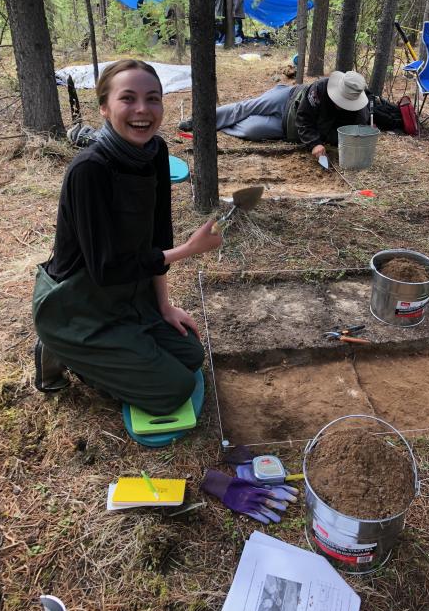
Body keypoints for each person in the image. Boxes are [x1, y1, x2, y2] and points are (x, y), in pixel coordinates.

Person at [33, 60, 222, 415]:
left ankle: (118, 349)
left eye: (153, 99)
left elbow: (158, 237)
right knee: (173, 391)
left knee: (192, 355)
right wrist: (189, 250)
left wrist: (164, 306)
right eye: (128, 98)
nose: (142, 110)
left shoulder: (156, 152)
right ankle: (62, 348)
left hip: (128, 297)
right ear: (104, 108)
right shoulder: (89, 171)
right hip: (77, 307)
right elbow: (105, 270)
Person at [179, 70, 370, 159]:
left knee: (251, 130)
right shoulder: (320, 88)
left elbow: (351, 137)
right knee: (246, 108)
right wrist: (315, 143)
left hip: (287, 129)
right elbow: (304, 117)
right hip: (286, 99)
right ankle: (200, 122)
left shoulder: (359, 112)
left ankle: (222, 125)